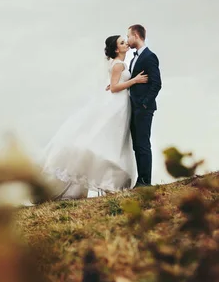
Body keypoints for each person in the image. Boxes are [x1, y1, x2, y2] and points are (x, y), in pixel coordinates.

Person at [40, 35, 148, 200]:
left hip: (120, 103)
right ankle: (109, 181)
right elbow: (113, 87)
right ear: (116, 49)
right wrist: (135, 80)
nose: (126, 44)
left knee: (113, 140)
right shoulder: (118, 64)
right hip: (117, 104)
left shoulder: (118, 64)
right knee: (111, 140)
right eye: (122, 43)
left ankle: (108, 181)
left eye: (125, 41)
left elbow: (113, 84)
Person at [127, 24, 162, 188]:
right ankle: (140, 180)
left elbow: (157, 83)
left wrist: (144, 103)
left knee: (143, 144)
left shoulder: (149, 57)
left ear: (136, 35)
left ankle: (145, 182)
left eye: (128, 36)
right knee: (137, 145)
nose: (127, 40)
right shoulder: (134, 58)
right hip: (133, 108)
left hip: (143, 108)